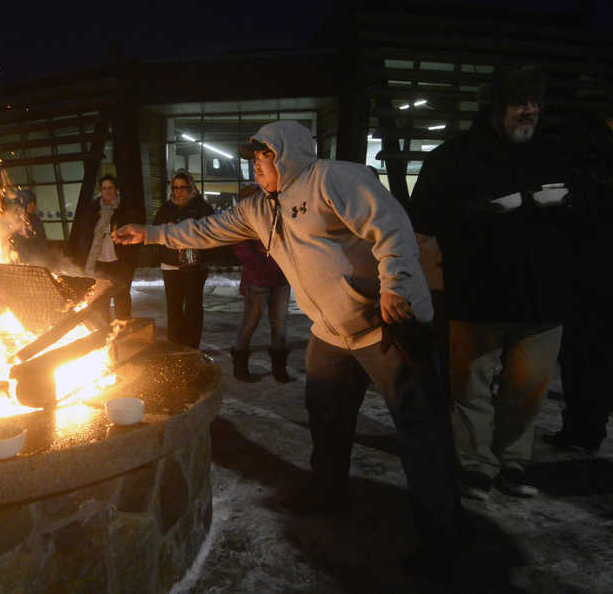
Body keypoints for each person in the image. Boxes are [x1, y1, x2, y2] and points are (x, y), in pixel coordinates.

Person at [113, 120, 464, 576]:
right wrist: (152, 233)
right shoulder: (259, 208)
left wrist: (396, 284)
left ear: (288, 155)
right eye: (255, 162)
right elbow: (206, 229)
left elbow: (390, 226)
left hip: (386, 322)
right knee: (327, 417)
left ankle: (442, 534)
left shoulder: (333, 178)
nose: (258, 168)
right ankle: (329, 491)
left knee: (420, 428)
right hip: (331, 330)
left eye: (265, 159)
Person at [410, 66, 573, 500]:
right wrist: (472, 213)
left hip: (544, 296)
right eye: (521, 102)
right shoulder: (454, 156)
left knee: (527, 389)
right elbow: (422, 216)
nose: (530, 111)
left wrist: (570, 206)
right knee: (471, 390)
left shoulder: (555, 154)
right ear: (495, 107)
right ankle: (476, 464)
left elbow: (592, 214)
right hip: (477, 293)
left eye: (535, 102)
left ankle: (514, 459)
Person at [544, 111, 613, 453]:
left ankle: (579, 428)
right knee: (602, 357)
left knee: (577, 358)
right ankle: (590, 427)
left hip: (578, 280)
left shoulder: (574, 183)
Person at [231, 184, 292, 382]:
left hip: (280, 278)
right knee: (250, 324)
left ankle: (279, 369)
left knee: (280, 325)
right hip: (257, 280)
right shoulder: (244, 220)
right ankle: (241, 368)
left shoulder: (277, 216)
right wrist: (262, 262)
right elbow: (242, 250)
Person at [152, 170, 215, 348]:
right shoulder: (166, 209)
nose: (178, 191)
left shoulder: (202, 208)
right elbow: (155, 234)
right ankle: (175, 347)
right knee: (174, 307)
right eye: (175, 187)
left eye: (183, 187)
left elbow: (212, 234)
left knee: (194, 306)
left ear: (191, 187)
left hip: (196, 266)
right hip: (171, 265)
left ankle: (192, 347)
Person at [68, 174, 140, 321]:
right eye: (104, 188)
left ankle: (122, 330)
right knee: (100, 300)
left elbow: (134, 236)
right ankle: (104, 332)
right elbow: (86, 236)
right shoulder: (94, 210)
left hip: (119, 262)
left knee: (122, 297)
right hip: (99, 262)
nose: (107, 191)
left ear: (116, 190)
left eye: (110, 188)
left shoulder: (125, 209)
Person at [10, 189, 48, 265]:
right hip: (18, 260)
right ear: (22, 204)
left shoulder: (35, 220)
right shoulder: (12, 220)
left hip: (37, 259)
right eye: (30, 203)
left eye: (34, 203)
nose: (33, 206)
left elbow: (42, 239)